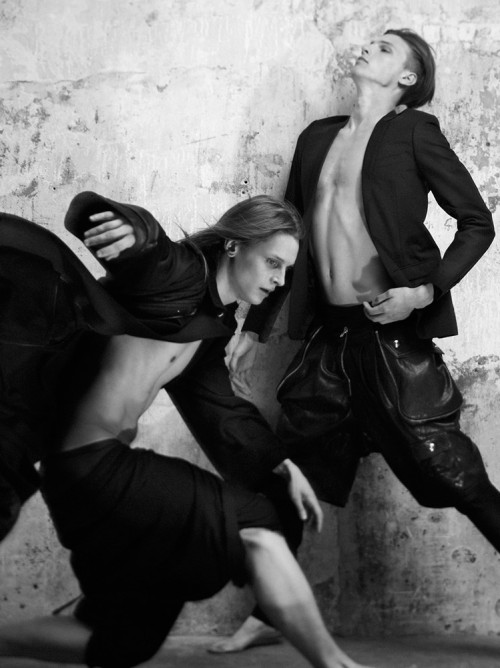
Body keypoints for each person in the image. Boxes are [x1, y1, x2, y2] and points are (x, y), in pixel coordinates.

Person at [0, 193, 371, 668]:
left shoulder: (213, 324)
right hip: (94, 468)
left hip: (78, 480)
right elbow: (149, 248)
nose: (279, 280)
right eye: (272, 262)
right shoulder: (179, 274)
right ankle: (335, 664)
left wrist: (281, 464)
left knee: (124, 643)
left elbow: (222, 410)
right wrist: (132, 231)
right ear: (234, 246)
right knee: (256, 524)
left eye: (286, 270)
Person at [224, 27, 497, 651]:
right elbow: (288, 240)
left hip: (392, 337)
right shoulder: (316, 137)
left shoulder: (414, 132)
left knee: (454, 474)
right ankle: (270, 614)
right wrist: (255, 327)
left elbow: (476, 223)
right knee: (290, 471)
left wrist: (423, 293)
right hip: (328, 340)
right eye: (371, 42)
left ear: (407, 77)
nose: (369, 48)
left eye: (385, 48)